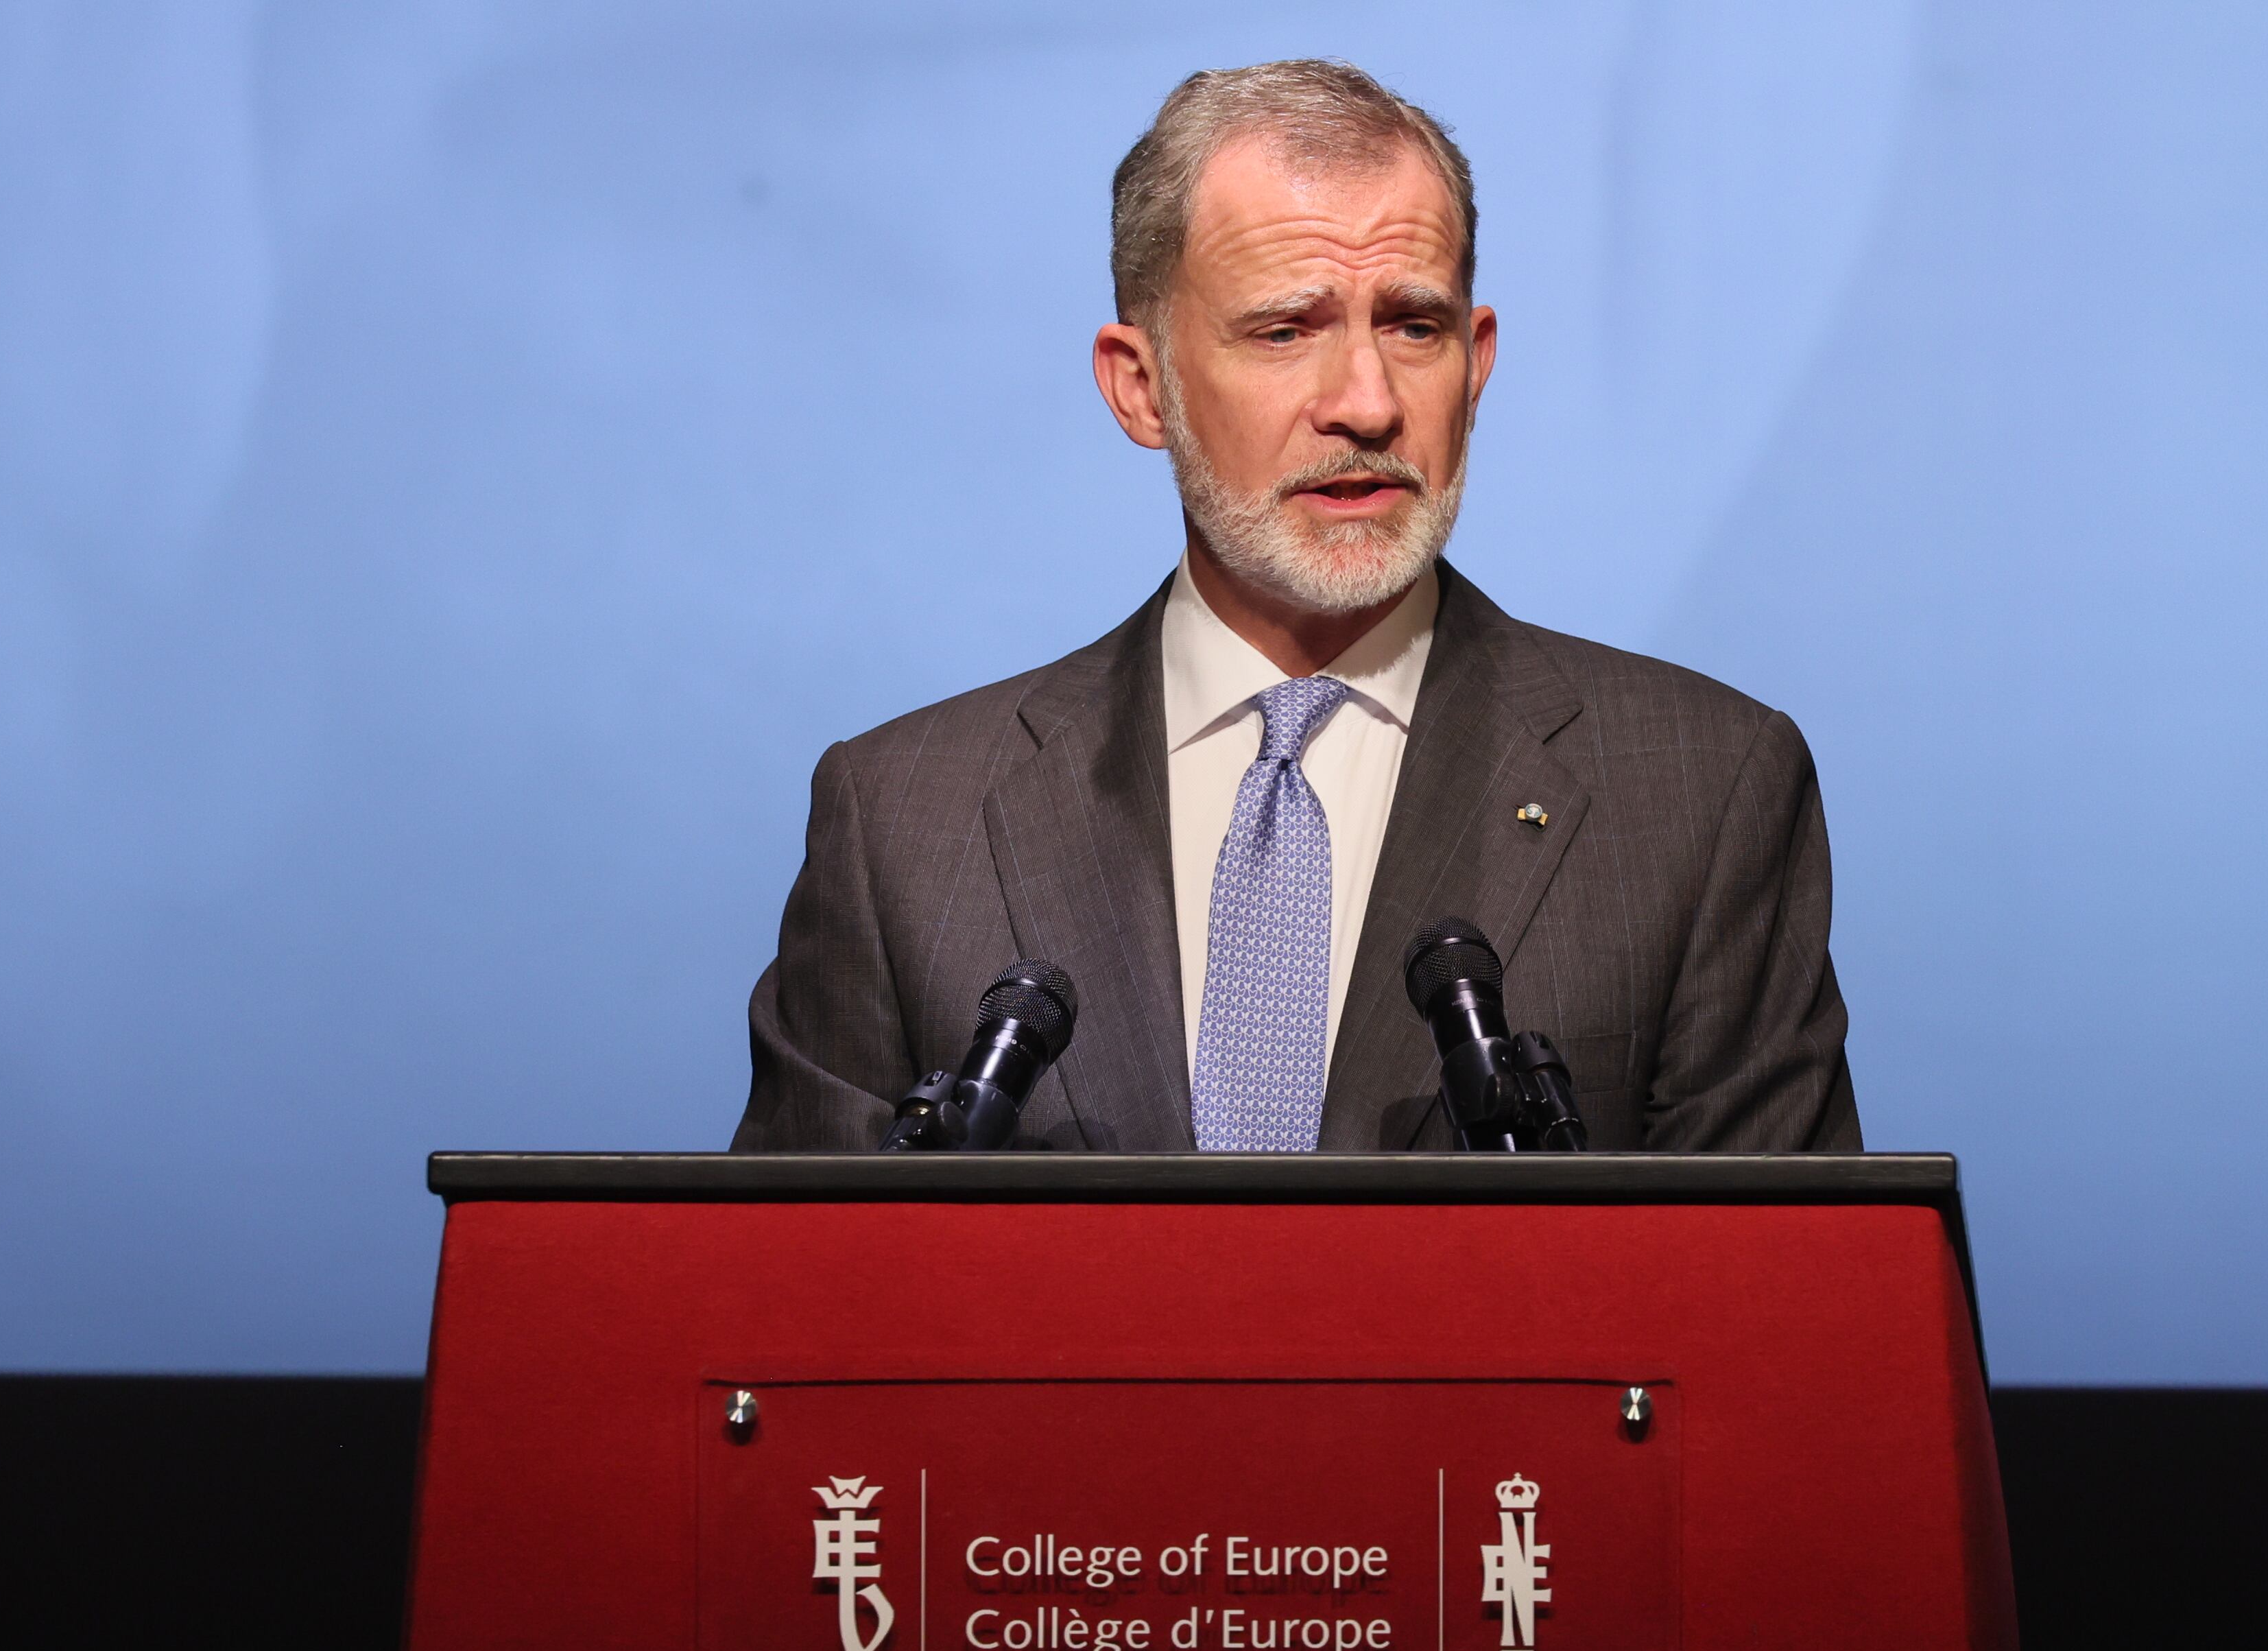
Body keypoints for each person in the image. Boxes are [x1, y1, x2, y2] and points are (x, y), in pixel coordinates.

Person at [732, 60, 1858, 1154]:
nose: (1366, 404)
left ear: (1476, 363)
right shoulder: (900, 825)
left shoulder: (1704, 793)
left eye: (1414, 326)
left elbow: (1774, 1318)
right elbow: (792, 1319)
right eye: (1286, 330)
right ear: (1142, 386)